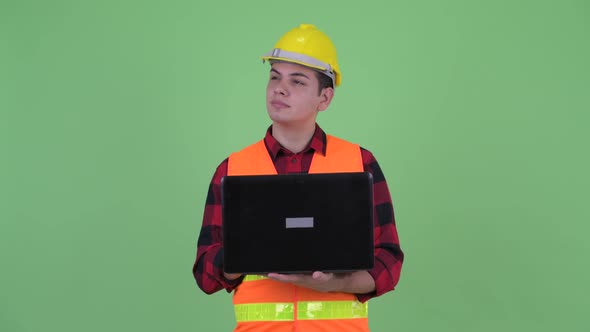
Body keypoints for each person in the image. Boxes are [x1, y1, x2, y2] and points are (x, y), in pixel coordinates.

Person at [192, 23, 404, 332]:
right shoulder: (232, 170)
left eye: (298, 81)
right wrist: (246, 252)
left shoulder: (361, 164)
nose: (279, 88)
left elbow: (389, 263)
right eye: (275, 77)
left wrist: (333, 284)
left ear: (325, 98)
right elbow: (205, 275)